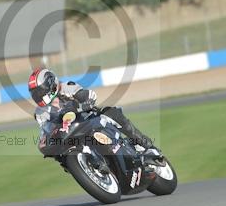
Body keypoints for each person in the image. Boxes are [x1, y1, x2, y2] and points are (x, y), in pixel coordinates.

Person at [28, 67, 162, 157]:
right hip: (68, 135)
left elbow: (87, 94)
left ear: (50, 83)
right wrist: (45, 142)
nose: (38, 96)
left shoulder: (66, 87)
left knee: (111, 112)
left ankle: (144, 144)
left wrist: (84, 101)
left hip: (88, 120)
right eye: (34, 93)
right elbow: (45, 130)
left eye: (39, 91)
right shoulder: (40, 112)